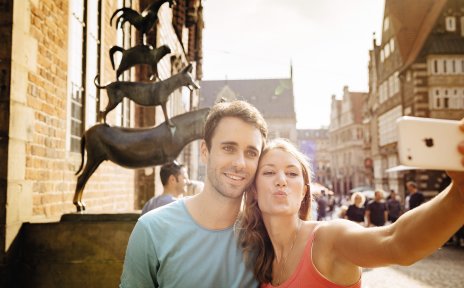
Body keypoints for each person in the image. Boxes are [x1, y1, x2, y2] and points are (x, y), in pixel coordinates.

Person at [238, 136, 464, 287]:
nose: (281, 180)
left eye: (292, 173)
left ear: (305, 191)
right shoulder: (257, 258)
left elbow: (396, 242)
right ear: (254, 190)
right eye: (268, 173)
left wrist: (459, 195)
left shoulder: (328, 239)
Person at [120, 100, 268, 287]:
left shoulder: (264, 235)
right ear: (205, 151)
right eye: (228, 148)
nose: (240, 163)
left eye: (251, 153)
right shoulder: (152, 229)